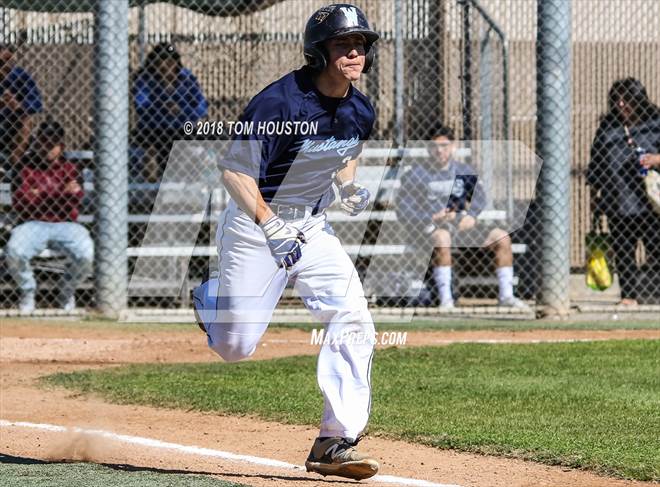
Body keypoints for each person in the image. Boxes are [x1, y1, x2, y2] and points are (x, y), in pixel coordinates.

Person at [192, 4, 379, 481]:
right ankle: (211, 299)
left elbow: (346, 150)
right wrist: (270, 224)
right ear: (318, 52)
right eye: (343, 44)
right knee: (235, 347)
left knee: (352, 317)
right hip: (255, 224)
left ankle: (334, 440)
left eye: (360, 44)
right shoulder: (279, 103)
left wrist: (347, 185)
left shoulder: (360, 108)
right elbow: (235, 171)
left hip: (312, 228)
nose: (354, 53)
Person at [397, 123, 529, 310]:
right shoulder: (416, 174)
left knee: (502, 237)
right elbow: (403, 210)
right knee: (442, 237)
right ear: (428, 148)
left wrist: (471, 216)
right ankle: (446, 300)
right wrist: (431, 217)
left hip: (460, 227)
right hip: (429, 230)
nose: (439, 151)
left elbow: (480, 198)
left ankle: (506, 296)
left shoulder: (463, 170)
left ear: (453, 146)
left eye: (444, 146)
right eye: (434, 146)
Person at [5, 121, 93, 314]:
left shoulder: (71, 167)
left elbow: (75, 200)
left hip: (66, 223)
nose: (47, 147)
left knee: (86, 254)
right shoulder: (23, 167)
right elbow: (21, 202)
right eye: (43, 141)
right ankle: (28, 291)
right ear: (37, 142)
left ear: (61, 145)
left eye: (53, 143)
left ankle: (67, 289)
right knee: (14, 251)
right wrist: (61, 192)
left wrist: (39, 194)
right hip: (32, 223)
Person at [587, 78, 660, 306]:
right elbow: (596, 162)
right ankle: (629, 296)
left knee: (656, 246)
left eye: (627, 99)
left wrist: (656, 159)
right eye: (617, 99)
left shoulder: (655, 123)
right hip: (617, 198)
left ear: (639, 99)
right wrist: (594, 196)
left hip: (650, 201)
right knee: (624, 250)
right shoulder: (608, 127)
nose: (621, 104)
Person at [132, 42, 208, 182]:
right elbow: (141, 106)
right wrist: (162, 108)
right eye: (160, 62)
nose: (165, 66)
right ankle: (153, 182)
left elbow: (201, 108)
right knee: (149, 150)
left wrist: (181, 111)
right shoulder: (145, 79)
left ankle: (187, 180)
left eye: (170, 62)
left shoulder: (187, 78)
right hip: (154, 130)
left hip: (181, 129)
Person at [0, 44, 43, 180]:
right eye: (2, 62)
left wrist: (18, 105)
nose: (6, 66)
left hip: (13, 126)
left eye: (9, 61)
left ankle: (15, 162)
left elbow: (36, 103)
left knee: (26, 120)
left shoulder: (20, 76)